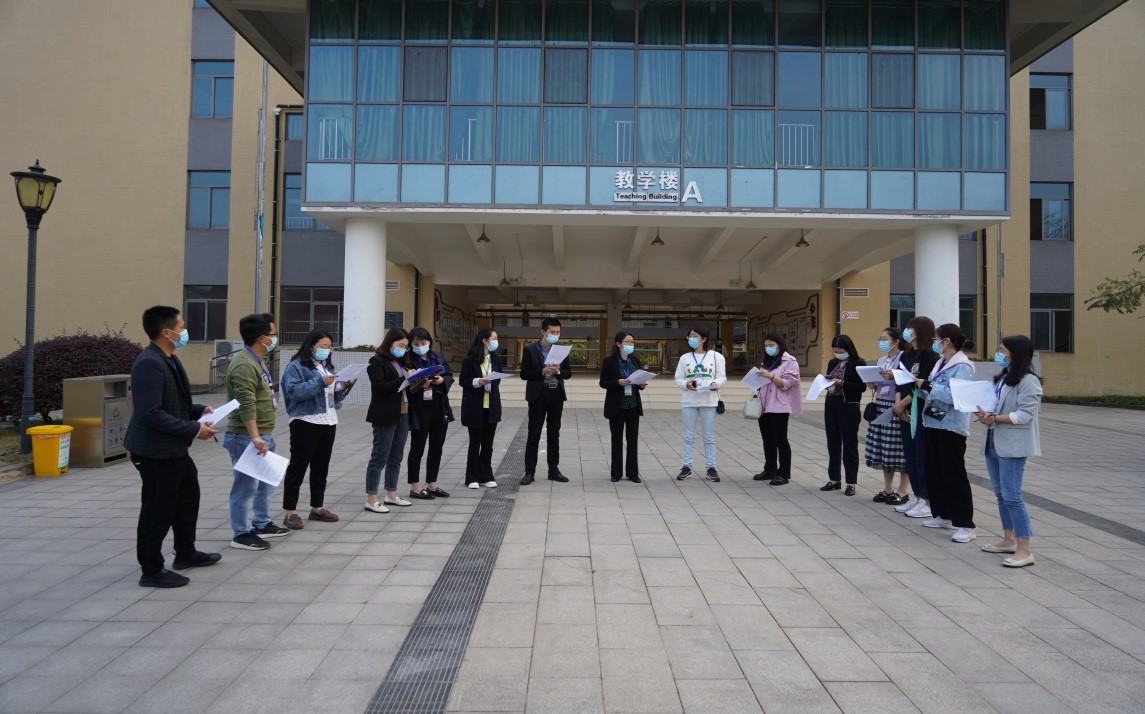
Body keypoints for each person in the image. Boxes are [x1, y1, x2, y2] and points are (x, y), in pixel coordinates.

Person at [124, 306, 221, 588]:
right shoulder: (149, 363)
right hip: (154, 451)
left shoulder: (169, 358)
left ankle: (185, 552)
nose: (185, 330)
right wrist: (194, 429)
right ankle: (151, 569)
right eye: (182, 326)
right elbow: (150, 413)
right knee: (158, 509)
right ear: (167, 332)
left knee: (188, 497)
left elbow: (171, 401)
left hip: (173, 449)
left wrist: (198, 410)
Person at [224, 312, 290, 550]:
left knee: (266, 482)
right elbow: (246, 403)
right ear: (262, 338)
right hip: (246, 437)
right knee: (245, 487)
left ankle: (261, 523)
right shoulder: (244, 364)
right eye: (274, 334)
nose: (276, 338)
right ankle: (240, 534)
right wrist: (255, 436)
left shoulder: (255, 359)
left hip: (261, 434)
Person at [974, 336, 1043, 567]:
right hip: (993, 441)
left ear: (1015, 353)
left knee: (1012, 496)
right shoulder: (1004, 378)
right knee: (1001, 494)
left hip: (1012, 445)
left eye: (1002, 350)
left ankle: (1025, 549)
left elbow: (1025, 415)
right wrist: (984, 414)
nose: (998, 353)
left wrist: (995, 418)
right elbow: (994, 407)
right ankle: (1009, 539)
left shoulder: (1029, 381)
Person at [280, 329, 352, 529]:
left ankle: (317, 508)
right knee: (298, 466)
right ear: (311, 346)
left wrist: (342, 388)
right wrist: (320, 382)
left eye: (329, 347)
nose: (326, 350)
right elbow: (294, 392)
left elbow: (330, 396)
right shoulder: (296, 366)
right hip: (305, 420)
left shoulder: (326, 366)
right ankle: (290, 511)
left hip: (328, 420)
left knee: (321, 466)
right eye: (322, 346)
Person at [915, 323, 977, 543]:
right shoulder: (941, 362)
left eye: (937, 339)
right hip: (933, 422)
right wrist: (918, 385)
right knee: (935, 471)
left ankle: (966, 524)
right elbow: (931, 391)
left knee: (953, 474)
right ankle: (943, 514)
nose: (935, 342)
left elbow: (955, 396)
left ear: (947, 341)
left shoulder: (962, 366)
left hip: (951, 426)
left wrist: (928, 386)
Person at [364, 328, 416, 512]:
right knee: (380, 456)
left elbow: (406, 386)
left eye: (406, 347)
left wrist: (417, 380)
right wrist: (404, 379)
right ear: (390, 343)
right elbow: (380, 387)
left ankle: (391, 494)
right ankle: (371, 498)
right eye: (400, 345)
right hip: (385, 414)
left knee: (396, 456)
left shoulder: (403, 363)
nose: (403, 349)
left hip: (403, 412)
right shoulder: (376, 362)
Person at [892, 317, 938, 518]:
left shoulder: (930, 356)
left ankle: (927, 500)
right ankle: (918, 496)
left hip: (918, 409)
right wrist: (898, 404)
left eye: (910, 328)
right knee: (909, 457)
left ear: (920, 331)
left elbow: (923, 385)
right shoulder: (906, 353)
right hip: (903, 409)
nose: (907, 331)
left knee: (921, 457)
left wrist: (903, 403)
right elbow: (898, 380)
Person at [520, 318, 573, 485]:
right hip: (538, 395)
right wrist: (542, 371)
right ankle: (529, 472)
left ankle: (553, 470)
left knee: (554, 433)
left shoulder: (562, 350)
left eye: (558, 332)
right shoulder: (530, 349)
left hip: (556, 394)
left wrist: (559, 371)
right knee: (534, 433)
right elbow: (524, 374)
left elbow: (568, 373)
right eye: (552, 332)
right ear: (543, 332)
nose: (555, 335)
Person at [406, 326, 454, 500]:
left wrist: (441, 380)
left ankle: (432, 484)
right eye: (416, 343)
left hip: (439, 405)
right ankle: (415, 486)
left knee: (436, 447)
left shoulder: (437, 357)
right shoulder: (408, 360)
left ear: (429, 342)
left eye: (423, 343)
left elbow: (449, 376)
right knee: (417, 447)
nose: (420, 346)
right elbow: (408, 387)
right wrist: (421, 383)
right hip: (419, 407)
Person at [673, 326, 727, 482]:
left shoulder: (716, 356)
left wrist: (716, 383)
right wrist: (686, 384)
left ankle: (711, 467)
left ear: (704, 339)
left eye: (695, 336)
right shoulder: (685, 358)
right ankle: (686, 467)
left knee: (709, 437)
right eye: (690, 336)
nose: (692, 339)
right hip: (689, 401)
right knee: (688, 436)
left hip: (708, 401)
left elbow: (722, 377)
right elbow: (678, 378)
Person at [864, 327, 909, 504]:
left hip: (896, 405)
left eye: (884, 339)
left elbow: (906, 381)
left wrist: (892, 377)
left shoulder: (904, 357)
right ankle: (887, 488)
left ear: (896, 341)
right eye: (880, 338)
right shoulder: (882, 359)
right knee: (884, 448)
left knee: (898, 448)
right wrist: (873, 383)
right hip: (880, 404)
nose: (881, 342)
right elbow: (880, 380)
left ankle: (903, 490)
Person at [751, 333, 803, 486]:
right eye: (766, 345)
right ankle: (770, 469)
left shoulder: (790, 361)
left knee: (780, 439)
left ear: (779, 345)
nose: (768, 348)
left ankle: (783, 473)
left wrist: (770, 376)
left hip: (779, 405)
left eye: (771, 345)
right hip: (764, 404)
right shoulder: (766, 361)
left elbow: (788, 383)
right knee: (767, 439)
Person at [820, 335, 866, 495]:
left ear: (848, 349)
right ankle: (834, 479)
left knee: (849, 444)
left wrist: (842, 382)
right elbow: (829, 381)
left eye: (841, 351)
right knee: (832, 442)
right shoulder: (833, 362)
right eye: (835, 351)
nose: (838, 354)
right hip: (831, 403)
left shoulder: (858, 363)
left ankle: (851, 482)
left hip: (848, 405)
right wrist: (824, 382)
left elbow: (861, 387)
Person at [599, 331, 646, 483]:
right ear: (618, 344)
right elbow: (603, 382)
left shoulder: (635, 361)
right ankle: (616, 473)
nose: (630, 345)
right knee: (616, 439)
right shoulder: (609, 361)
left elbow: (638, 381)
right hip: (617, 405)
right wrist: (617, 382)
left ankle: (633, 473)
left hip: (633, 404)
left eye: (632, 342)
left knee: (632, 439)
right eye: (627, 342)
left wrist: (641, 384)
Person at [460, 328, 502, 489]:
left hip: (491, 406)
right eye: (494, 338)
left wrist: (491, 380)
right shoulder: (469, 360)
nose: (496, 342)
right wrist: (478, 381)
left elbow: (498, 379)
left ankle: (486, 475)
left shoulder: (496, 360)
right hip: (475, 407)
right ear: (485, 340)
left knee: (488, 444)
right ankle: (472, 477)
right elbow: (463, 381)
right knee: (474, 443)